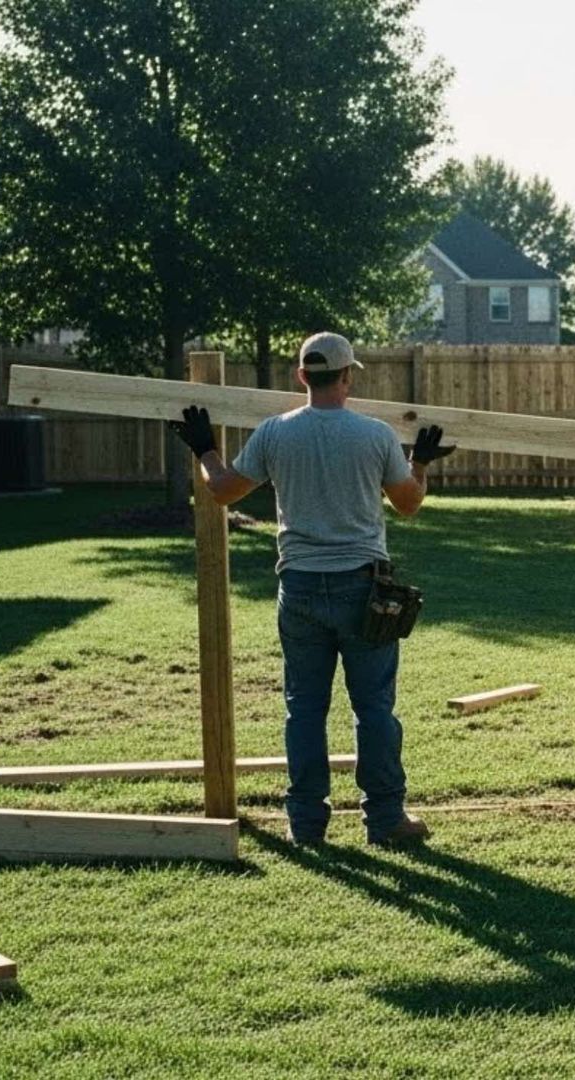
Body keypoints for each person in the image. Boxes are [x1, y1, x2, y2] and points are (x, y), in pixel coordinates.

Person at [169, 331, 453, 847]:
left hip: (298, 589)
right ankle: (386, 820)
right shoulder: (375, 435)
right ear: (347, 377)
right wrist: (421, 462)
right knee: (373, 709)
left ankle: (306, 824)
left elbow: (223, 491)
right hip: (362, 590)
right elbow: (408, 504)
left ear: (302, 376)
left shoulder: (276, 433)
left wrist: (205, 448)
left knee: (304, 708)